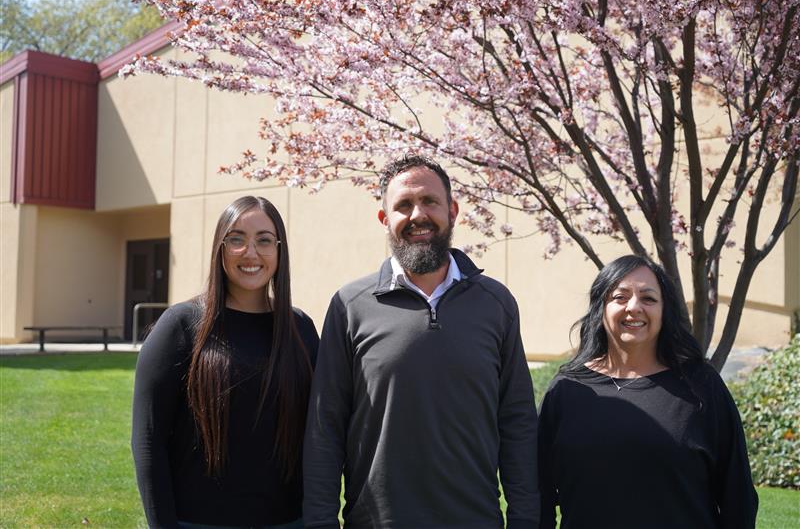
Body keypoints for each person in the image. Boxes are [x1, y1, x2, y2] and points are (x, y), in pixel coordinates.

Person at [303, 155, 540, 529]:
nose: (418, 216)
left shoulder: (496, 304)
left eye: (430, 201)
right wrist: (320, 521)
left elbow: (518, 421)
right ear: (385, 220)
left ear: (453, 210)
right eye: (403, 206)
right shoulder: (350, 305)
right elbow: (325, 425)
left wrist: (526, 518)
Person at [132, 196, 319, 529]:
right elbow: (149, 440)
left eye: (264, 240)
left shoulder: (299, 328)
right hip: (198, 521)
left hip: (290, 521)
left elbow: (319, 432)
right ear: (220, 248)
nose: (250, 253)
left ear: (279, 250)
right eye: (236, 239)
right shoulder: (180, 326)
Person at [537, 255, 758, 529]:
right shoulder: (567, 389)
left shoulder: (701, 386)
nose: (634, 307)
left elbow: (738, 495)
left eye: (648, 299)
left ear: (665, 311)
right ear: (601, 308)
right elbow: (539, 491)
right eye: (620, 297)